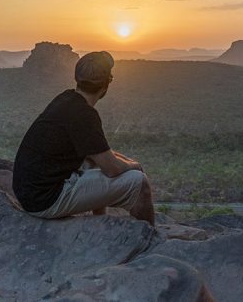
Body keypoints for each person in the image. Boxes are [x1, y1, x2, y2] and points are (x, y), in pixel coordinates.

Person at [12, 51, 154, 225]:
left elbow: (98, 153)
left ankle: (98, 222)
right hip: (45, 199)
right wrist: (135, 165)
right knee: (139, 183)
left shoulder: (66, 99)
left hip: (30, 192)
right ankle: (148, 236)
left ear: (77, 79)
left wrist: (125, 162)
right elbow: (112, 169)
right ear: (106, 85)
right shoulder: (85, 115)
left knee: (92, 160)